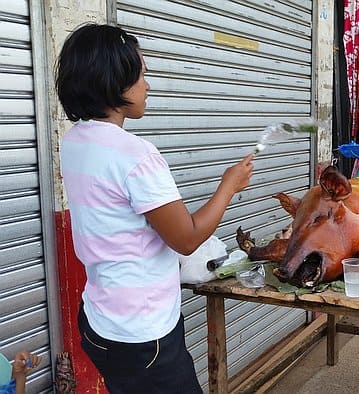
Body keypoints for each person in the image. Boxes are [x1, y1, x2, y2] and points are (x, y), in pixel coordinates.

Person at [55, 24, 254, 393]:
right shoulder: (135, 154)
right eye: (142, 74)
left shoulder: (75, 141)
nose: (148, 85)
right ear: (113, 81)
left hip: (100, 322)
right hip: (144, 338)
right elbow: (187, 238)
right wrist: (229, 186)